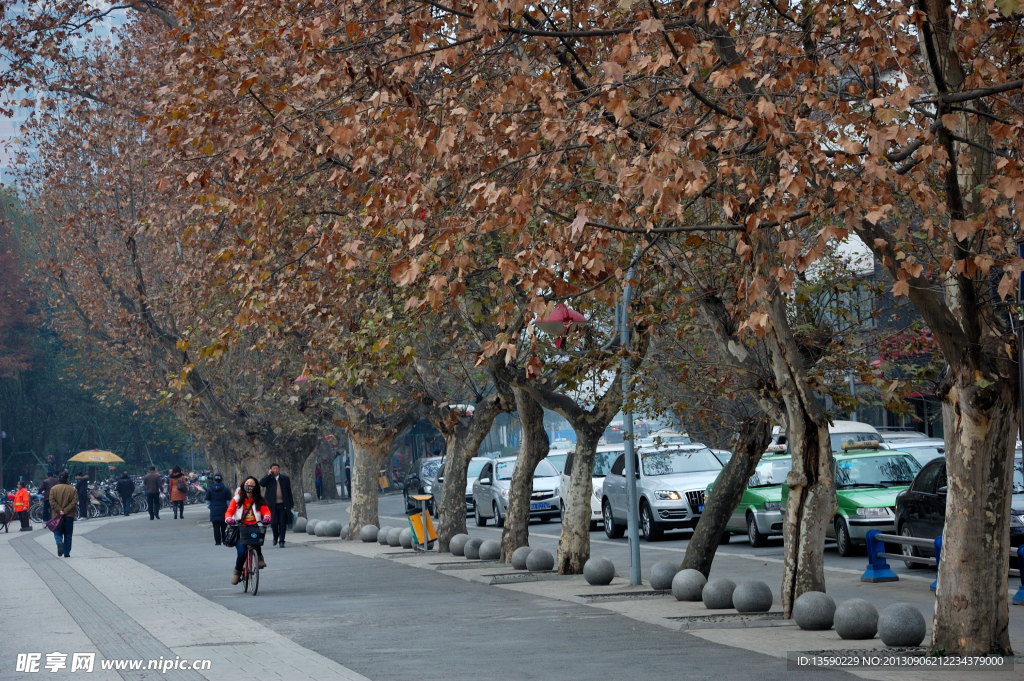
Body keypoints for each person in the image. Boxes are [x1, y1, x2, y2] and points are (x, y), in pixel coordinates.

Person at [225, 476, 270, 584]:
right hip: (240, 528)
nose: (249, 485)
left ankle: (259, 557)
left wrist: (267, 517)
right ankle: (237, 571)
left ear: (255, 487)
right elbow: (229, 511)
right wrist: (229, 519)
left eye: (252, 484)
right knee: (242, 552)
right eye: (247, 483)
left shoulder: (259, 500)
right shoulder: (237, 499)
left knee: (258, 538)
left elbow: (265, 510)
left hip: (254, 527)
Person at [259, 464, 293, 548]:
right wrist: (268, 475)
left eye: (277, 468)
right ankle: (275, 537)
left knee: (282, 523)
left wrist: (291, 504)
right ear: (271, 469)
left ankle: (282, 541)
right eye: (273, 468)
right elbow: (261, 483)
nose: (275, 470)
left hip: (283, 504)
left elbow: (289, 492)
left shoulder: (285, 479)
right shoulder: (269, 479)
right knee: (274, 523)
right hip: (272, 505)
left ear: (279, 469)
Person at [49, 472, 78, 557]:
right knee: (68, 534)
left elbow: (52, 501)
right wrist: (65, 511)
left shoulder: (53, 489)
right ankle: (66, 553)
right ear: (67, 479)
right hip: (69, 516)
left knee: (57, 532)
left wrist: (59, 510)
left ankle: (59, 542)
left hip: (57, 516)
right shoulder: (72, 489)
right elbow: (74, 502)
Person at [206, 473, 232, 545]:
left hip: (214, 510)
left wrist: (210, 507)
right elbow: (228, 501)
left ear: (214, 480)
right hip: (224, 510)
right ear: (222, 480)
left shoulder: (210, 489)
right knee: (224, 526)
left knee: (216, 527)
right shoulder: (226, 489)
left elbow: (208, 501)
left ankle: (217, 541)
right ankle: (224, 540)